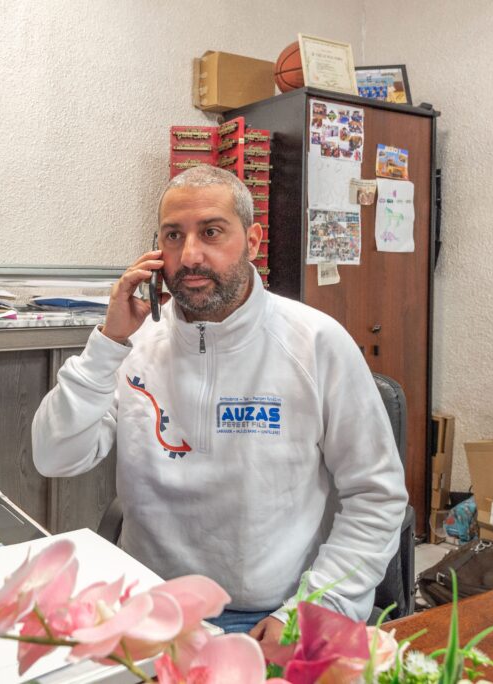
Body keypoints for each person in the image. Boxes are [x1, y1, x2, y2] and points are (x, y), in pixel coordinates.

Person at [31, 164, 407, 644]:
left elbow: (376, 495)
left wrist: (315, 610)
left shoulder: (316, 343)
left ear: (252, 241)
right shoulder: (133, 344)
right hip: (149, 605)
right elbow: (54, 456)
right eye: (173, 235)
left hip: (271, 614)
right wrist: (107, 343)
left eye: (211, 232)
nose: (190, 256)